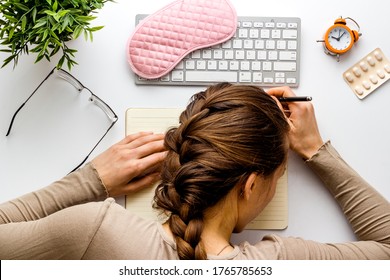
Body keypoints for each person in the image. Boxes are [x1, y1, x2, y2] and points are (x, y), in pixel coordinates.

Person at [0, 84, 389, 260]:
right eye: (279, 175)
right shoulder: (283, 264)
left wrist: (90, 182)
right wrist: (315, 149)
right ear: (251, 185)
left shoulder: (95, 232)